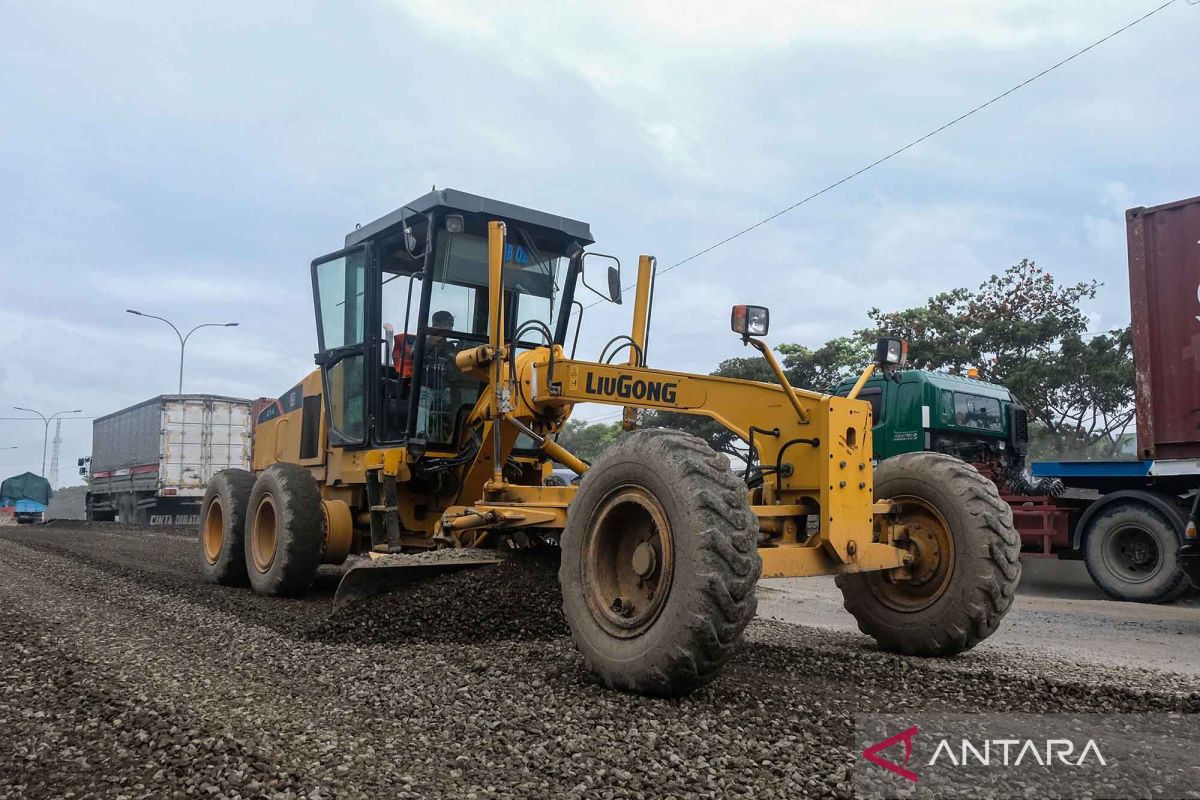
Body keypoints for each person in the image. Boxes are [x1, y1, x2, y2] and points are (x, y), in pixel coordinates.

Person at [417, 311, 456, 441]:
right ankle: (421, 433)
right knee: (423, 401)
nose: (450, 328)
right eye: (446, 324)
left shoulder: (450, 347)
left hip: (444, 388)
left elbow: (454, 366)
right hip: (426, 387)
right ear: (435, 325)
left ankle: (454, 434)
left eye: (451, 324)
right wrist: (431, 342)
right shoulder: (423, 341)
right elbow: (413, 356)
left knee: (455, 399)